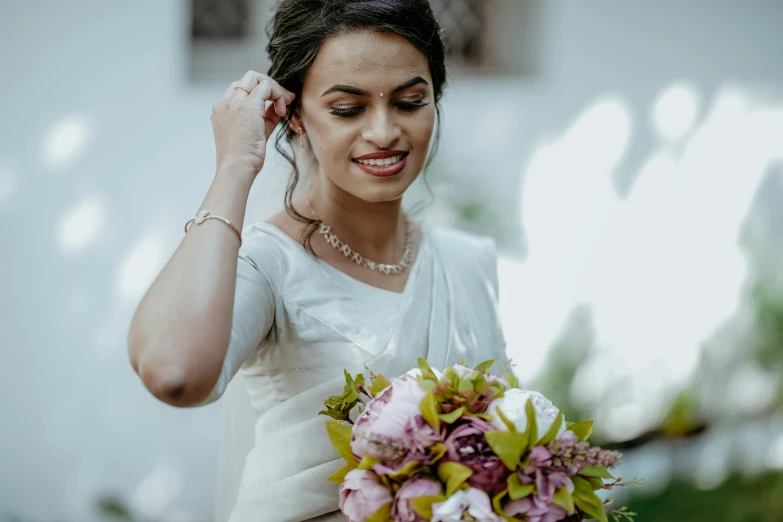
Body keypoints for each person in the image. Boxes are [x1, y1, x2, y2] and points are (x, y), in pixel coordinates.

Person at [128, 0, 507, 520]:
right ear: (297, 117)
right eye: (348, 109)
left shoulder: (467, 264)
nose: (383, 132)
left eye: (410, 101)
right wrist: (236, 167)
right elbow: (175, 372)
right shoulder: (270, 266)